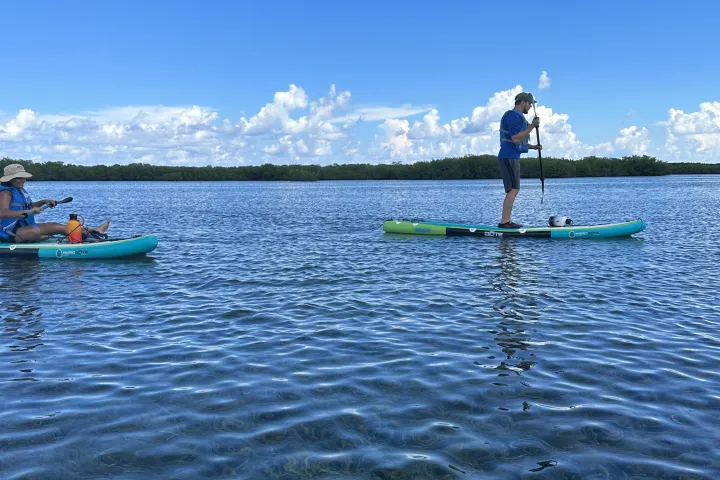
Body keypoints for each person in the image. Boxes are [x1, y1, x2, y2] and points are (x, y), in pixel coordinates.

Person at [0, 163, 110, 243]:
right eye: (19, 178)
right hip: (10, 232)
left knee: (56, 226)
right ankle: (40, 236)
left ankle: (94, 231)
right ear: (11, 179)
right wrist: (31, 211)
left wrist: (43, 202)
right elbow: (3, 213)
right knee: (34, 231)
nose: (23, 180)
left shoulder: (19, 190)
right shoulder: (5, 193)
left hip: (24, 227)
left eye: (23, 177)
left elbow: (27, 206)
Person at [497, 92, 542, 228]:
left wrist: (534, 147)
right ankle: (505, 222)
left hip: (512, 156)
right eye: (529, 104)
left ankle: (507, 221)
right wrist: (532, 126)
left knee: (514, 189)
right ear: (523, 103)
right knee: (513, 189)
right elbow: (515, 138)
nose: (530, 106)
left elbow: (519, 141)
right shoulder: (513, 116)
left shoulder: (518, 117)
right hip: (508, 156)